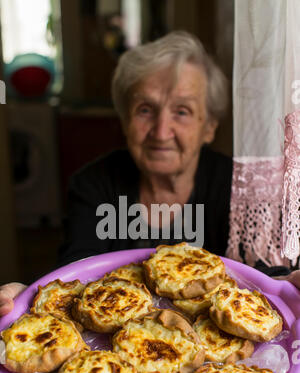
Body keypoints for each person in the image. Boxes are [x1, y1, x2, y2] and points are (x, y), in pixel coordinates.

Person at [0, 31, 299, 317]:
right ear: (125, 119)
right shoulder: (93, 185)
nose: (161, 131)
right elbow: (73, 277)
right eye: (145, 110)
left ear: (209, 127)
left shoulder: (242, 187)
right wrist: (28, 298)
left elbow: (264, 279)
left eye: (181, 111)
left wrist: (289, 284)